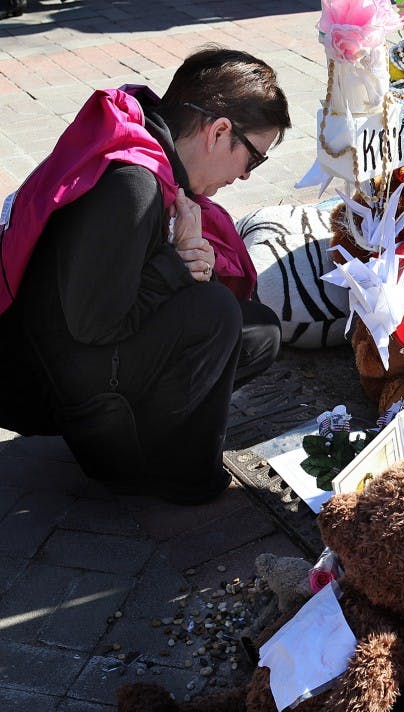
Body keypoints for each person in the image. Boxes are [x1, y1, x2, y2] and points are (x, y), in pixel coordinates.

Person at [0, 46, 290, 504]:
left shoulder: (151, 151)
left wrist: (187, 263)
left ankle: (157, 443)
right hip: (76, 401)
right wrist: (178, 264)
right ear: (218, 132)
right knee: (214, 312)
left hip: (82, 369)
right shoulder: (132, 185)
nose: (248, 176)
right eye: (254, 158)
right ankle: (180, 477)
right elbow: (95, 324)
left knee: (258, 331)